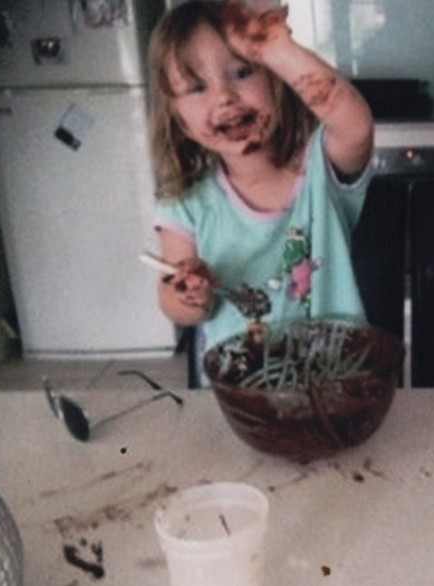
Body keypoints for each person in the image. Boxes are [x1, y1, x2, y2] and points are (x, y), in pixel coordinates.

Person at [147, 1, 374, 369]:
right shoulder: (185, 203)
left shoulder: (321, 167)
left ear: (276, 79)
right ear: (177, 118)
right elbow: (175, 305)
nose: (224, 97)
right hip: (245, 395)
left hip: (335, 381)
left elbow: (357, 127)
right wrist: (188, 295)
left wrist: (277, 49)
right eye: (197, 87)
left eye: (243, 72)